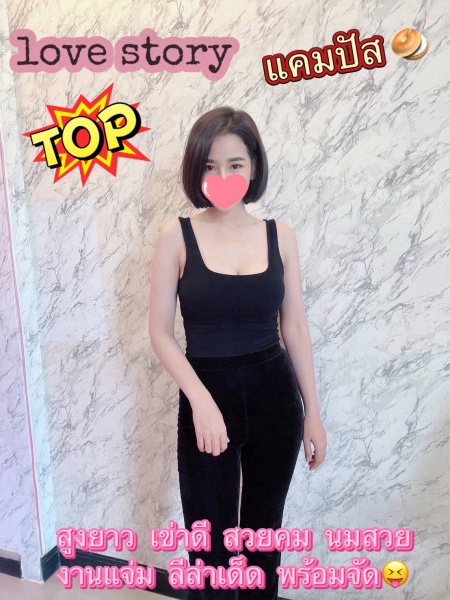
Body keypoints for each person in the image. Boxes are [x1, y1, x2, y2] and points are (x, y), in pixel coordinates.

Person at [149, 106, 327, 599]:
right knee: (209, 544)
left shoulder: (280, 236)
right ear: (196, 169)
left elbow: (295, 327)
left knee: (263, 539)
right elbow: (160, 332)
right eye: (210, 165)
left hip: (276, 398)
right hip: (206, 395)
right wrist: (201, 401)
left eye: (235, 164)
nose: (222, 176)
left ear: (253, 166)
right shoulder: (175, 236)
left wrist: (313, 412)